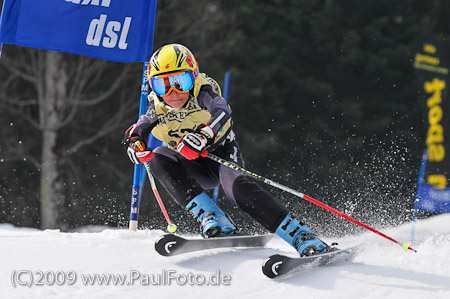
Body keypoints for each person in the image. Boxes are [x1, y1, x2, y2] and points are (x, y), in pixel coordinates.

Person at [122, 44, 328, 256]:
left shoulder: (203, 91)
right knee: (158, 157)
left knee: (236, 188)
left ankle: (301, 236)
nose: (173, 93)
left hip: (221, 155)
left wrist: (203, 135)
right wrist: (135, 146)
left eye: (179, 82)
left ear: (193, 76)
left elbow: (223, 111)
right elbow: (136, 131)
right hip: (192, 165)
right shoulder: (156, 105)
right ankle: (213, 217)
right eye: (163, 85)